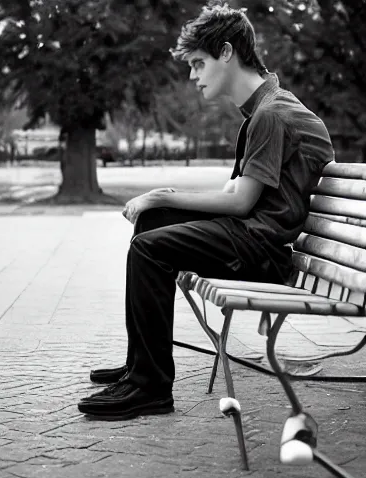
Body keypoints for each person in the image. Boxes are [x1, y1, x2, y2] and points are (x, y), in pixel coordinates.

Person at [78, 2, 334, 420]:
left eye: (199, 64)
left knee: (149, 248)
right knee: (152, 225)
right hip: (254, 238)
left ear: (228, 53)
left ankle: (151, 388)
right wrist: (161, 201)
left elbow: (240, 202)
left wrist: (164, 195)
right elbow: (239, 192)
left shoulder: (272, 114)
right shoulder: (265, 108)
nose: (194, 76)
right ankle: (139, 365)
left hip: (261, 249)